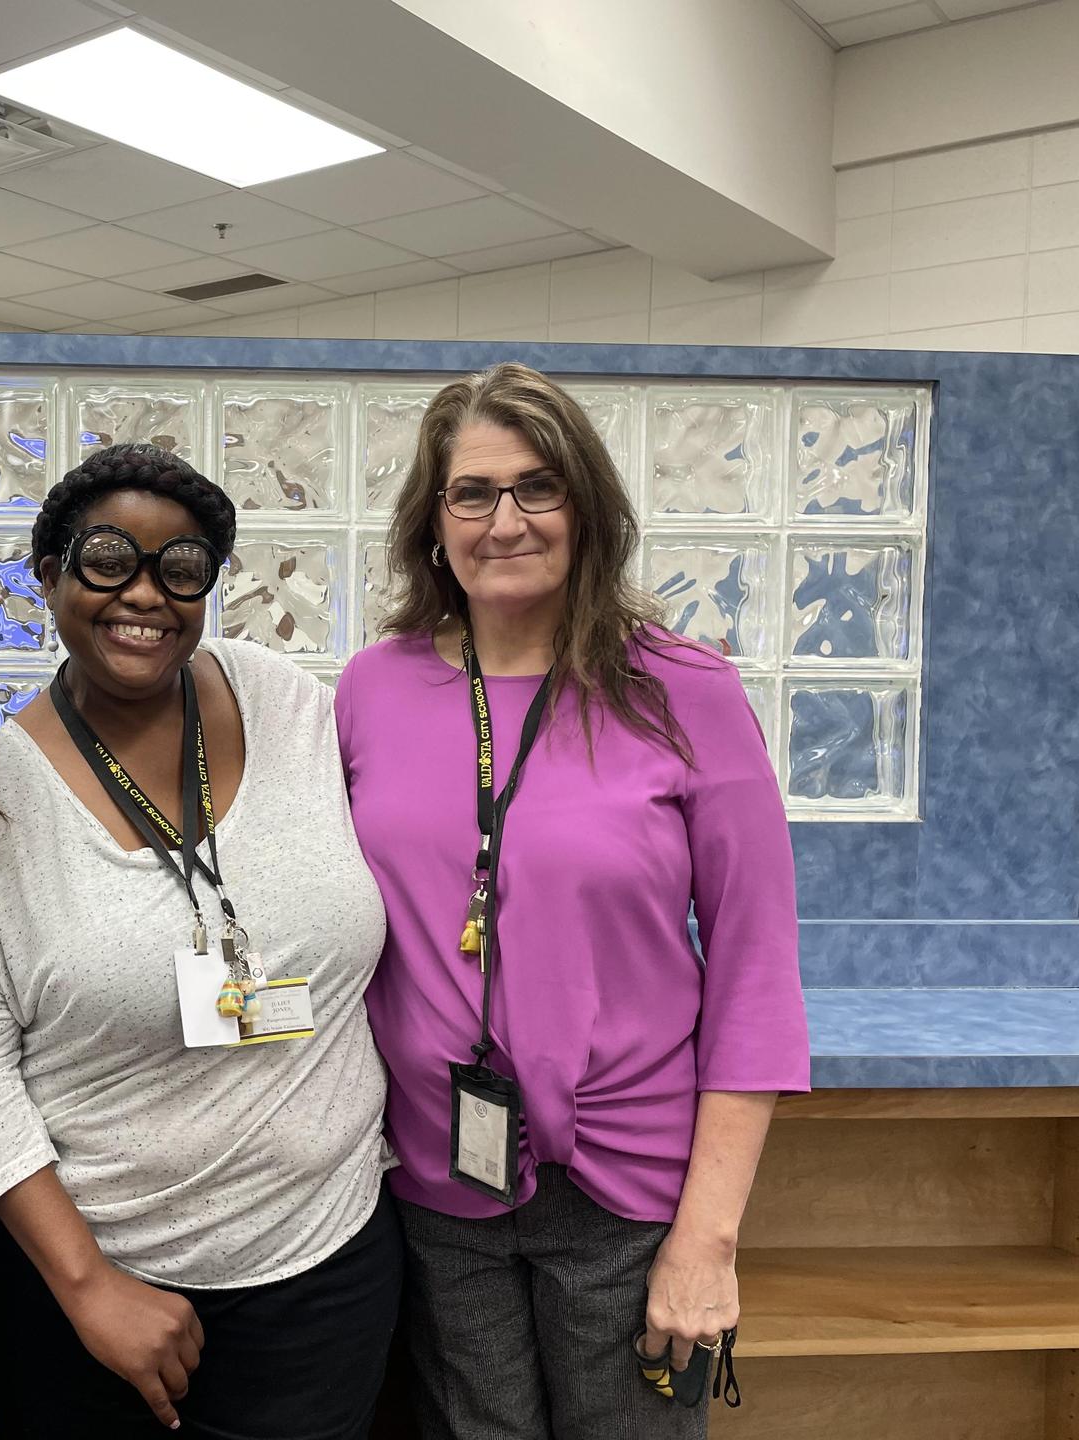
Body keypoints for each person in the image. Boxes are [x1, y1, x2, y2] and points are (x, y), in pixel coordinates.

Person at [336, 363, 809, 1439]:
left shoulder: (684, 689)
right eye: (473, 492)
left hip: (631, 1198)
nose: (505, 520)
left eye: (538, 487)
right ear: (433, 520)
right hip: (437, 1184)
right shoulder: (373, 686)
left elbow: (756, 972)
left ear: (588, 506)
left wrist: (709, 1240)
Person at [0, 443, 398, 1440]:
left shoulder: (289, 704)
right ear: (47, 576)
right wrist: (90, 1287)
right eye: (106, 560)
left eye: (181, 568)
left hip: (325, 1266)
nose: (145, 594)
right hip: (91, 1288)